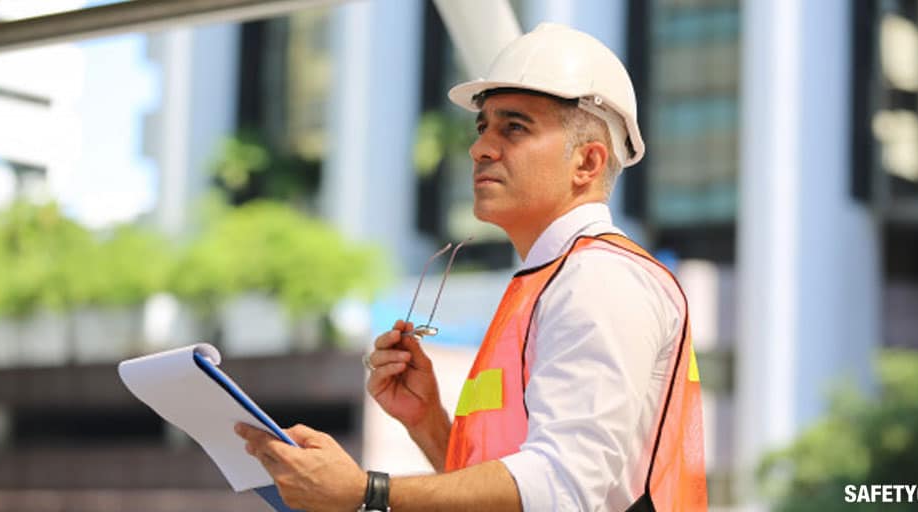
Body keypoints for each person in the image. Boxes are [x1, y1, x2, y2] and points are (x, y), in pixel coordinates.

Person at [236, 22, 707, 511]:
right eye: (483, 127)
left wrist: (365, 492)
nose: (479, 148)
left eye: (515, 127)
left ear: (587, 163)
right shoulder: (555, 278)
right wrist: (429, 423)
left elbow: (562, 487)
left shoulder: (599, 278)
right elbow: (522, 492)